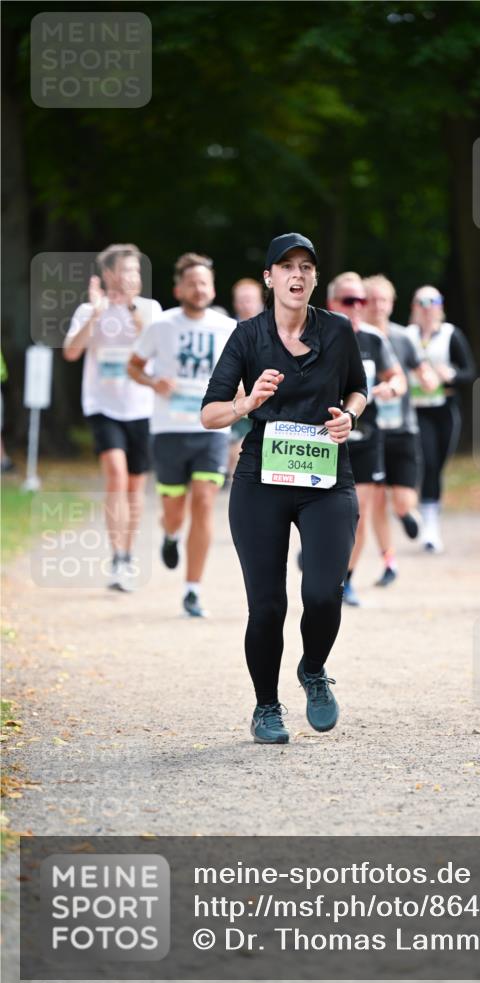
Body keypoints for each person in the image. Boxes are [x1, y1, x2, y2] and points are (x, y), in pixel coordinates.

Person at [201, 233, 367, 744]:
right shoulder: (247, 336)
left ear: (315, 279)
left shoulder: (338, 331)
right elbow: (209, 414)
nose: (297, 275)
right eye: (286, 267)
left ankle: (313, 669)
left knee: (322, 593)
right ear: (269, 278)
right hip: (260, 482)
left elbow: (359, 389)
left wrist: (349, 418)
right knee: (268, 605)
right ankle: (266, 707)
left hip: (325, 479)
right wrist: (247, 403)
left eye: (307, 268)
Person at [128, 253, 236, 617]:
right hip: (169, 430)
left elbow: (244, 372)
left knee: (205, 502)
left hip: (211, 429)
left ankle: (192, 590)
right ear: (178, 289)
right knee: (174, 512)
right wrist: (152, 381)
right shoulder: (161, 326)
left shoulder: (228, 327)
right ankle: (171, 534)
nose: (199, 288)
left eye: (204, 282)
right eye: (191, 282)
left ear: (212, 288)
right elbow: (134, 366)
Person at [63, 244, 162, 591]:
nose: (132, 276)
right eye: (125, 270)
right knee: (116, 476)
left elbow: (156, 344)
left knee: (136, 486)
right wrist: (96, 313)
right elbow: (72, 351)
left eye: (136, 270)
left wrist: (130, 306)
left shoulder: (150, 309)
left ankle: (127, 554)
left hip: (141, 408)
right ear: (108, 274)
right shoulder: (90, 309)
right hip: (102, 406)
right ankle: (116, 556)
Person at [326, 272, 405, 606]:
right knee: (322, 514)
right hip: (323, 440)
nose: (357, 307)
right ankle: (319, 561)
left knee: (356, 513)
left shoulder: (374, 339)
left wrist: (393, 388)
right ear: (332, 303)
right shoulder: (315, 335)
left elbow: (397, 376)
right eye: (349, 301)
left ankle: (346, 579)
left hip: (367, 437)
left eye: (362, 300)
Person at [363, 274, 439, 586]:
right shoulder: (356, 338)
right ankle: (388, 560)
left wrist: (429, 379)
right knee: (377, 499)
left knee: (402, 501)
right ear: (362, 303)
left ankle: (409, 515)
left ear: (392, 304)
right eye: (372, 300)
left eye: (384, 300)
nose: (379, 306)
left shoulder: (402, 338)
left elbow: (424, 371)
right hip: (371, 431)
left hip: (403, 429)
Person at [404, 286, 476, 552]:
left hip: (444, 409)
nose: (427, 306)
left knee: (437, 465)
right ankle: (429, 526)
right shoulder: (406, 335)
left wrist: (452, 375)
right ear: (414, 306)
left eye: (433, 301)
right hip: (415, 409)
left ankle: (430, 514)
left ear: (440, 305)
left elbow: (470, 371)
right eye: (421, 301)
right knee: (428, 460)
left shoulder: (450, 334)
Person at [227, 279, 266, 479]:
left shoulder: (273, 329)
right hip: (238, 397)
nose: (245, 305)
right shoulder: (227, 329)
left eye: (250, 300)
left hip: (267, 398)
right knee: (236, 448)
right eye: (241, 300)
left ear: (260, 302)